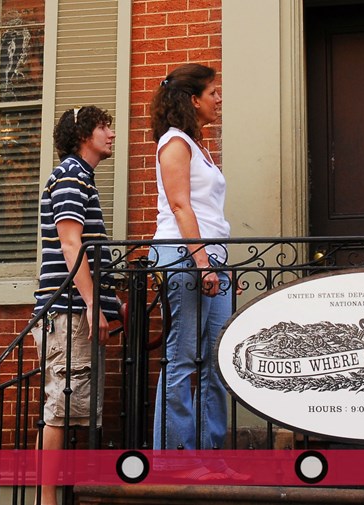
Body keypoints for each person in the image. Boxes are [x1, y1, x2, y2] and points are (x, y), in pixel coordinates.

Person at [149, 63, 245, 480]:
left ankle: (210, 458)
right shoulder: (174, 143)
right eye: (213, 92)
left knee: (216, 361)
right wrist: (202, 261)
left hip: (212, 259)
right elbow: (181, 206)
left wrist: (217, 262)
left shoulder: (197, 145)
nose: (219, 98)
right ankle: (175, 461)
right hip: (185, 257)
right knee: (184, 358)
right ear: (193, 99)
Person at [32, 105, 122, 504]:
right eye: (104, 127)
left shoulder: (81, 178)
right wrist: (91, 304)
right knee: (61, 409)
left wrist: (112, 300)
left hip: (76, 309)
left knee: (74, 409)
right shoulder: (70, 175)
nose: (111, 134)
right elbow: (71, 244)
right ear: (84, 133)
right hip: (67, 312)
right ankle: (47, 500)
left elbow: (88, 250)